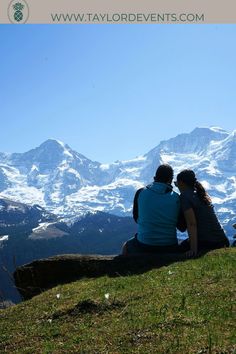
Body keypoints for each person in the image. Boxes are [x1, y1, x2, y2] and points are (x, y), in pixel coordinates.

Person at [122, 164, 186, 255]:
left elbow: (136, 218)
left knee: (126, 246)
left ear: (154, 177)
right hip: (169, 246)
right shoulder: (176, 198)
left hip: (144, 244)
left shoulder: (140, 192)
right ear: (170, 180)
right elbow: (182, 227)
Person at [175, 169, 229, 256]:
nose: (176, 186)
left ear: (181, 183)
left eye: (176, 183)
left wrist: (193, 250)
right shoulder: (200, 194)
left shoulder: (185, 197)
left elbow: (192, 223)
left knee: (177, 250)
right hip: (222, 241)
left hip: (210, 242)